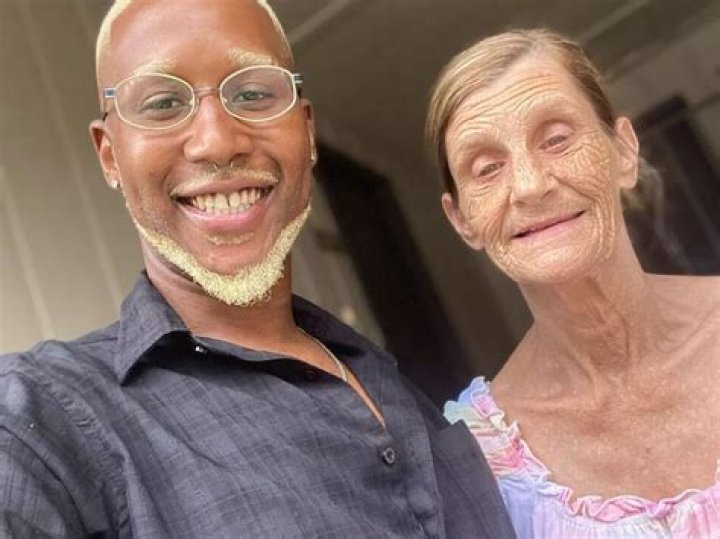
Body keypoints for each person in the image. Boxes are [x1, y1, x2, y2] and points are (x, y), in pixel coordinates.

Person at [0, 1, 516, 537]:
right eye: (162, 103)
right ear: (110, 156)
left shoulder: (382, 375)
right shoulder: (40, 421)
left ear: (307, 132)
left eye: (252, 94)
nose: (218, 141)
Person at [426, 29, 720, 538]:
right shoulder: (476, 460)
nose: (530, 185)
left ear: (623, 152)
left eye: (557, 139)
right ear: (462, 221)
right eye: (487, 168)